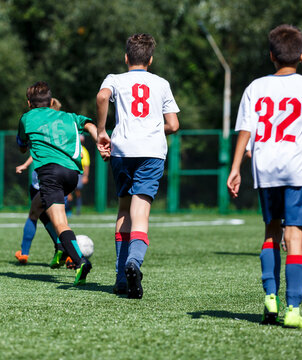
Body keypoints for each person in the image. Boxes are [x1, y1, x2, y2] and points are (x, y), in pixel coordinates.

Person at [226, 24, 302, 329]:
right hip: (299, 170)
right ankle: (292, 308)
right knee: (294, 237)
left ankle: (270, 296)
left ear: (271, 56)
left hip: (266, 168)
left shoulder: (255, 87)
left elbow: (245, 130)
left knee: (271, 232)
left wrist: (235, 167)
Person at [96, 33, 180, 299]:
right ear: (150, 59)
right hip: (152, 151)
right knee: (140, 211)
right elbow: (174, 125)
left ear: (126, 57)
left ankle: (121, 278)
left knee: (124, 208)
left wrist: (101, 131)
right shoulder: (161, 83)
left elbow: (101, 97)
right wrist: (155, 129)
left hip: (122, 149)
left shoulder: (115, 79)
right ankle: (134, 262)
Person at [17, 82, 101, 285]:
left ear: (29, 103)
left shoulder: (26, 118)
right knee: (38, 207)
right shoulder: (68, 116)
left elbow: (21, 147)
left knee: (60, 223)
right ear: (50, 101)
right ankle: (62, 248)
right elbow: (89, 124)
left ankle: (78, 260)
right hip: (72, 175)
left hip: (50, 175)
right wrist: (100, 140)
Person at [14, 98, 68, 269]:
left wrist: (25, 164)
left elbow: (37, 150)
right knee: (47, 218)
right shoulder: (60, 129)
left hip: (45, 181)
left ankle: (25, 252)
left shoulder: (41, 126)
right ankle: (62, 249)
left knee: (34, 215)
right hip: (48, 180)